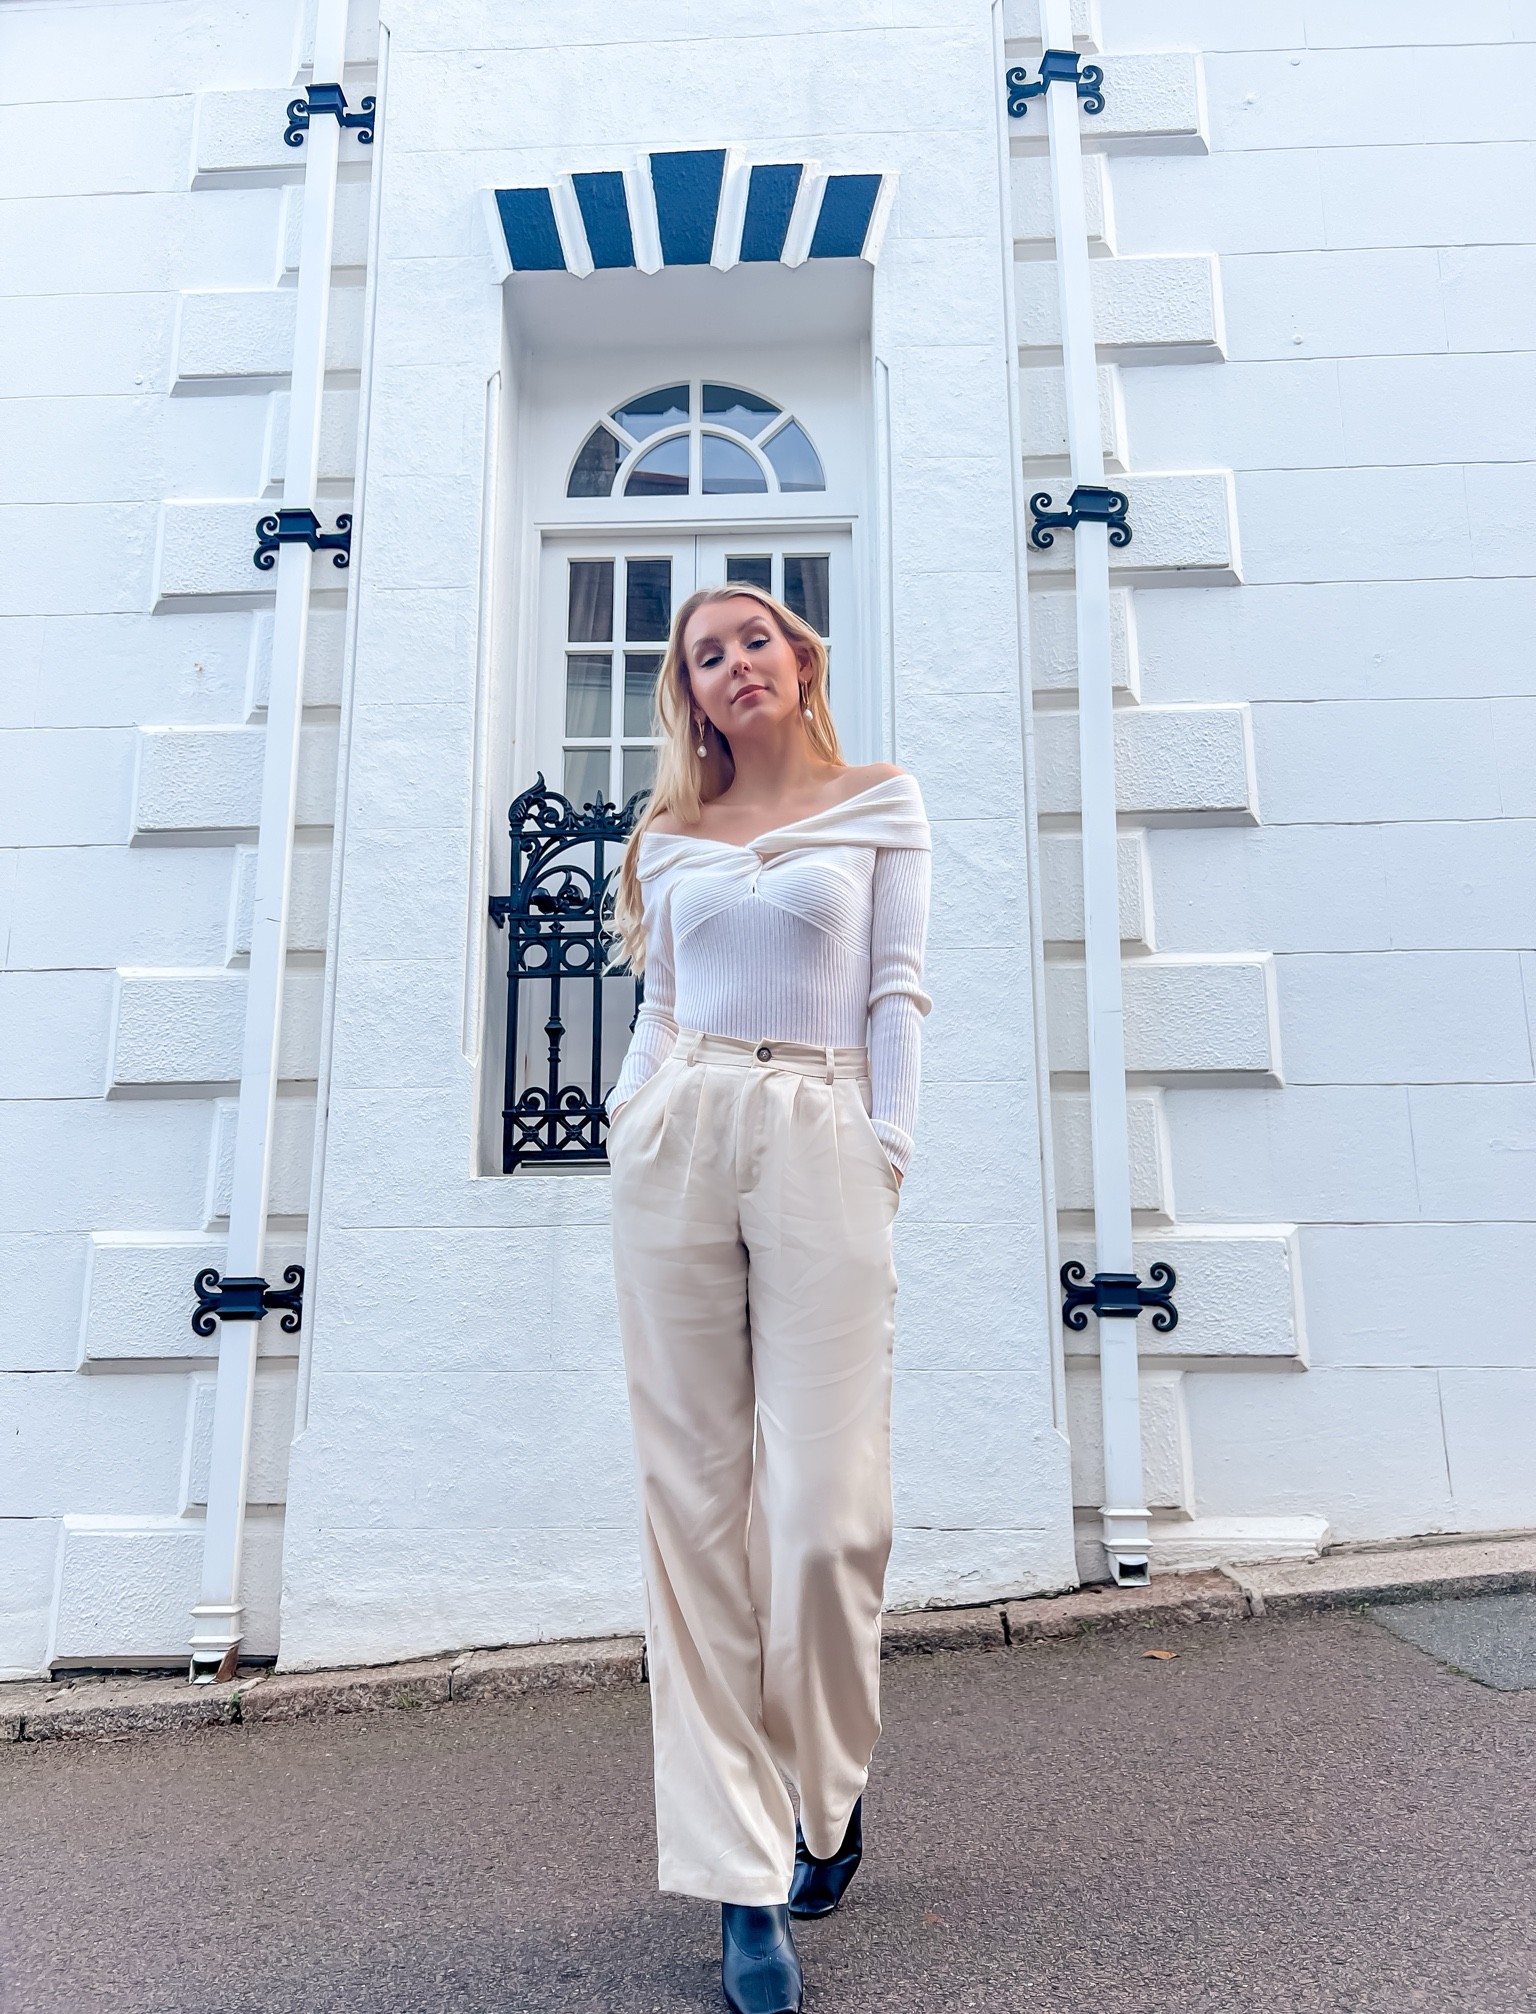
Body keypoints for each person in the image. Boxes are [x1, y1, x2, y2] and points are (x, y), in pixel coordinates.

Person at [605, 582, 933, 2014]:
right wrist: (634, 1120)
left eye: (754, 639)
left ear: (800, 662)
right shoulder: (663, 833)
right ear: (689, 693)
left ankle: (824, 1782)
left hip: (822, 1135)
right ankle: (744, 1882)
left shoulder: (879, 804)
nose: (732, 662)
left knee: (822, 1516)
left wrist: (887, 1156)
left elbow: (897, 992)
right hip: (682, 1138)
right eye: (703, 654)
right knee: (693, 1514)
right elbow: (659, 1007)